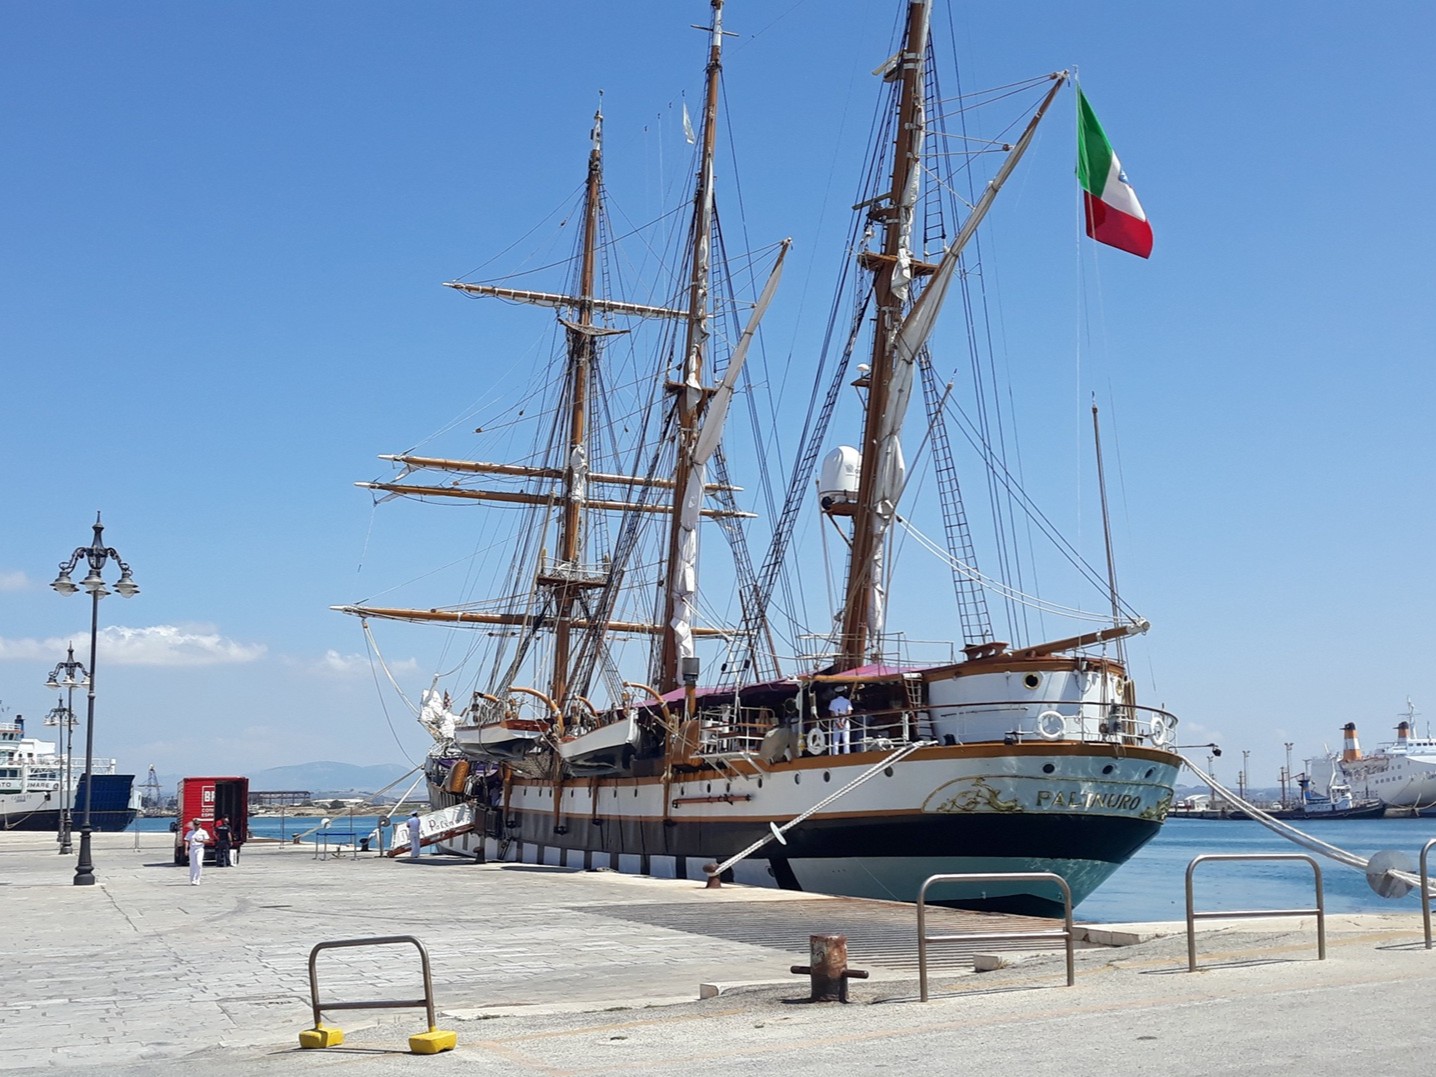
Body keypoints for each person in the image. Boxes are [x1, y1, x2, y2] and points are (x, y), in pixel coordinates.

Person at [186, 818, 210, 885]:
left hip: (199, 849)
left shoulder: (203, 832)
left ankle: (197, 879)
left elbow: (208, 840)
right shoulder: (190, 832)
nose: (197, 825)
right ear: (193, 825)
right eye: (195, 824)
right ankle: (192, 880)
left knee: (199, 864)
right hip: (192, 849)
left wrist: (200, 841)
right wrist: (186, 849)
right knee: (192, 865)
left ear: (200, 825)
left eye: (198, 824)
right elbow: (187, 841)